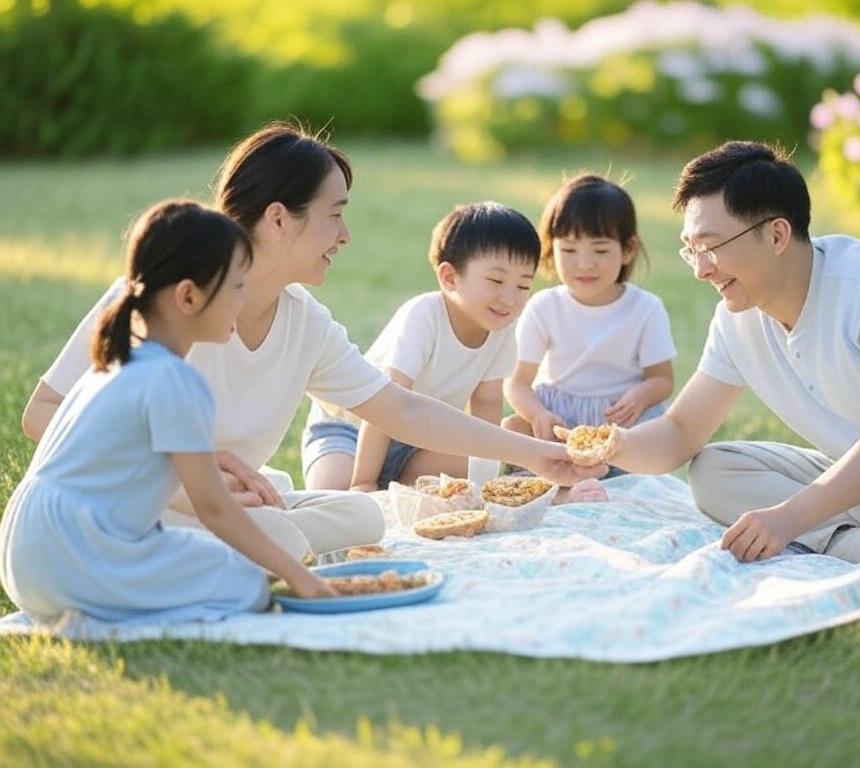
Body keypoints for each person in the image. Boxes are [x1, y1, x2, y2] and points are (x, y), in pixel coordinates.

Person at [20, 123, 603, 562]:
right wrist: (194, 473)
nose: (345, 236)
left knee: (361, 517)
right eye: (334, 216)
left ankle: (252, 540)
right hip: (133, 500)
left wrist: (535, 455)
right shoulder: (167, 293)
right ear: (279, 218)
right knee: (276, 533)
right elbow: (41, 413)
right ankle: (244, 546)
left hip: (234, 504)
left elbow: (397, 408)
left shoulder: (304, 319)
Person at [598, 140, 860, 568]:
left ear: (777, 234)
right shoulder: (737, 317)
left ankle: (839, 545)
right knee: (713, 471)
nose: (700, 269)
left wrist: (788, 519)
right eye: (691, 248)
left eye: (710, 247)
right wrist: (605, 449)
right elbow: (680, 433)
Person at [1, 200, 338, 625]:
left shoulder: (115, 364)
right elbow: (213, 507)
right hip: (74, 556)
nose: (242, 299)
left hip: (23, 559)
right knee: (246, 583)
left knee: (224, 561)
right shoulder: (175, 380)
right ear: (189, 295)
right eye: (237, 286)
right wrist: (299, 577)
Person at [302, 201, 539, 492]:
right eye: (496, 280)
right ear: (450, 278)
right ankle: (370, 482)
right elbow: (385, 407)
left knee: (476, 469)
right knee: (335, 499)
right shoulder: (424, 316)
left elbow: (487, 406)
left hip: (418, 441)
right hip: (352, 429)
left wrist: (485, 482)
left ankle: (402, 487)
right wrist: (363, 482)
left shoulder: (501, 328)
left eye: (523, 286)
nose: (509, 298)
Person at [503, 173, 676, 481]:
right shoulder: (544, 306)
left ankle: (604, 472)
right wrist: (539, 415)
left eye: (599, 250)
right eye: (569, 250)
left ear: (628, 250)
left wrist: (639, 396)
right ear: (551, 249)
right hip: (560, 421)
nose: (584, 264)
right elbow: (516, 384)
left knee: (659, 431)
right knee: (514, 428)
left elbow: (662, 380)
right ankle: (560, 469)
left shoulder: (645, 308)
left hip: (622, 420)